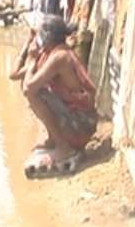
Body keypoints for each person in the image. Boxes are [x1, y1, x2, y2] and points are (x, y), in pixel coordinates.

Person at [10, 14, 98, 170]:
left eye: (38, 35)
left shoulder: (60, 57)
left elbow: (29, 87)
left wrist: (31, 63)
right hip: (76, 121)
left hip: (81, 125)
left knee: (34, 93)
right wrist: (27, 44)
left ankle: (64, 148)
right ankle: (54, 139)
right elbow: (14, 74)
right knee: (34, 88)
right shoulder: (49, 53)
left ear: (47, 38)